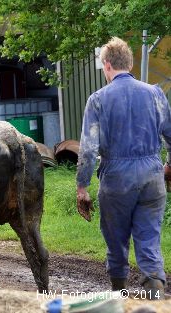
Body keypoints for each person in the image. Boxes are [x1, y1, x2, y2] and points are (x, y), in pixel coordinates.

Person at [76, 37, 171, 300]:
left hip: (117, 179)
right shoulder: (155, 94)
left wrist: (82, 186)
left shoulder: (98, 100)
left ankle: (120, 300)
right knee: (149, 242)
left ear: (107, 65)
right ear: (129, 64)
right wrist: (169, 165)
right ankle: (156, 302)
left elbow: (87, 149)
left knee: (117, 245)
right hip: (152, 176)